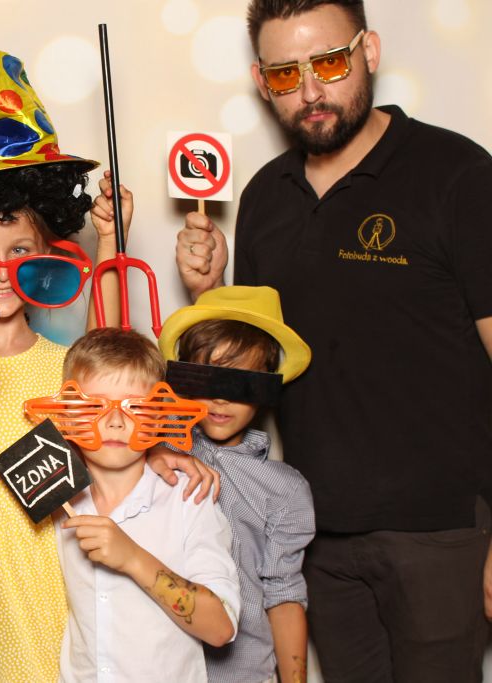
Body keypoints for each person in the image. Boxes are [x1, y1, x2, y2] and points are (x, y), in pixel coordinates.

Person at [161, 1, 492, 680]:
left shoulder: (456, 173)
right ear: (262, 82)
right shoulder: (265, 197)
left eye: (330, 63)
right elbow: (258, 366)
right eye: (286, 73)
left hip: (441, 530)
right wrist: (211, 290)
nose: (310, 90)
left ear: (369, 51)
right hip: (315, 534)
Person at [0, 43, 219, 681]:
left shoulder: (65, 368)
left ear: (47, 254)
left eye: (20, 250)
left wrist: (155, 449)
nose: (1, 270)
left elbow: (117, 390)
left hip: (73, 597)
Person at [29, 327, 240, 683]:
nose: (114, 422)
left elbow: (221, 629)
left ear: (157, 414)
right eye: (94, 407)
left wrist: (133, 558)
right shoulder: (55, 496)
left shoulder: (188, 499)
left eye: (135, 408)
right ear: (69, 412)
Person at [157, 286, 316, 683]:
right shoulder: (154, 450)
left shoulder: (284, 489)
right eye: (207, 377)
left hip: (242, 673)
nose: (221, 399)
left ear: (266, 388)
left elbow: (284, 595)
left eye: (241, 383)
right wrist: (152, 453)